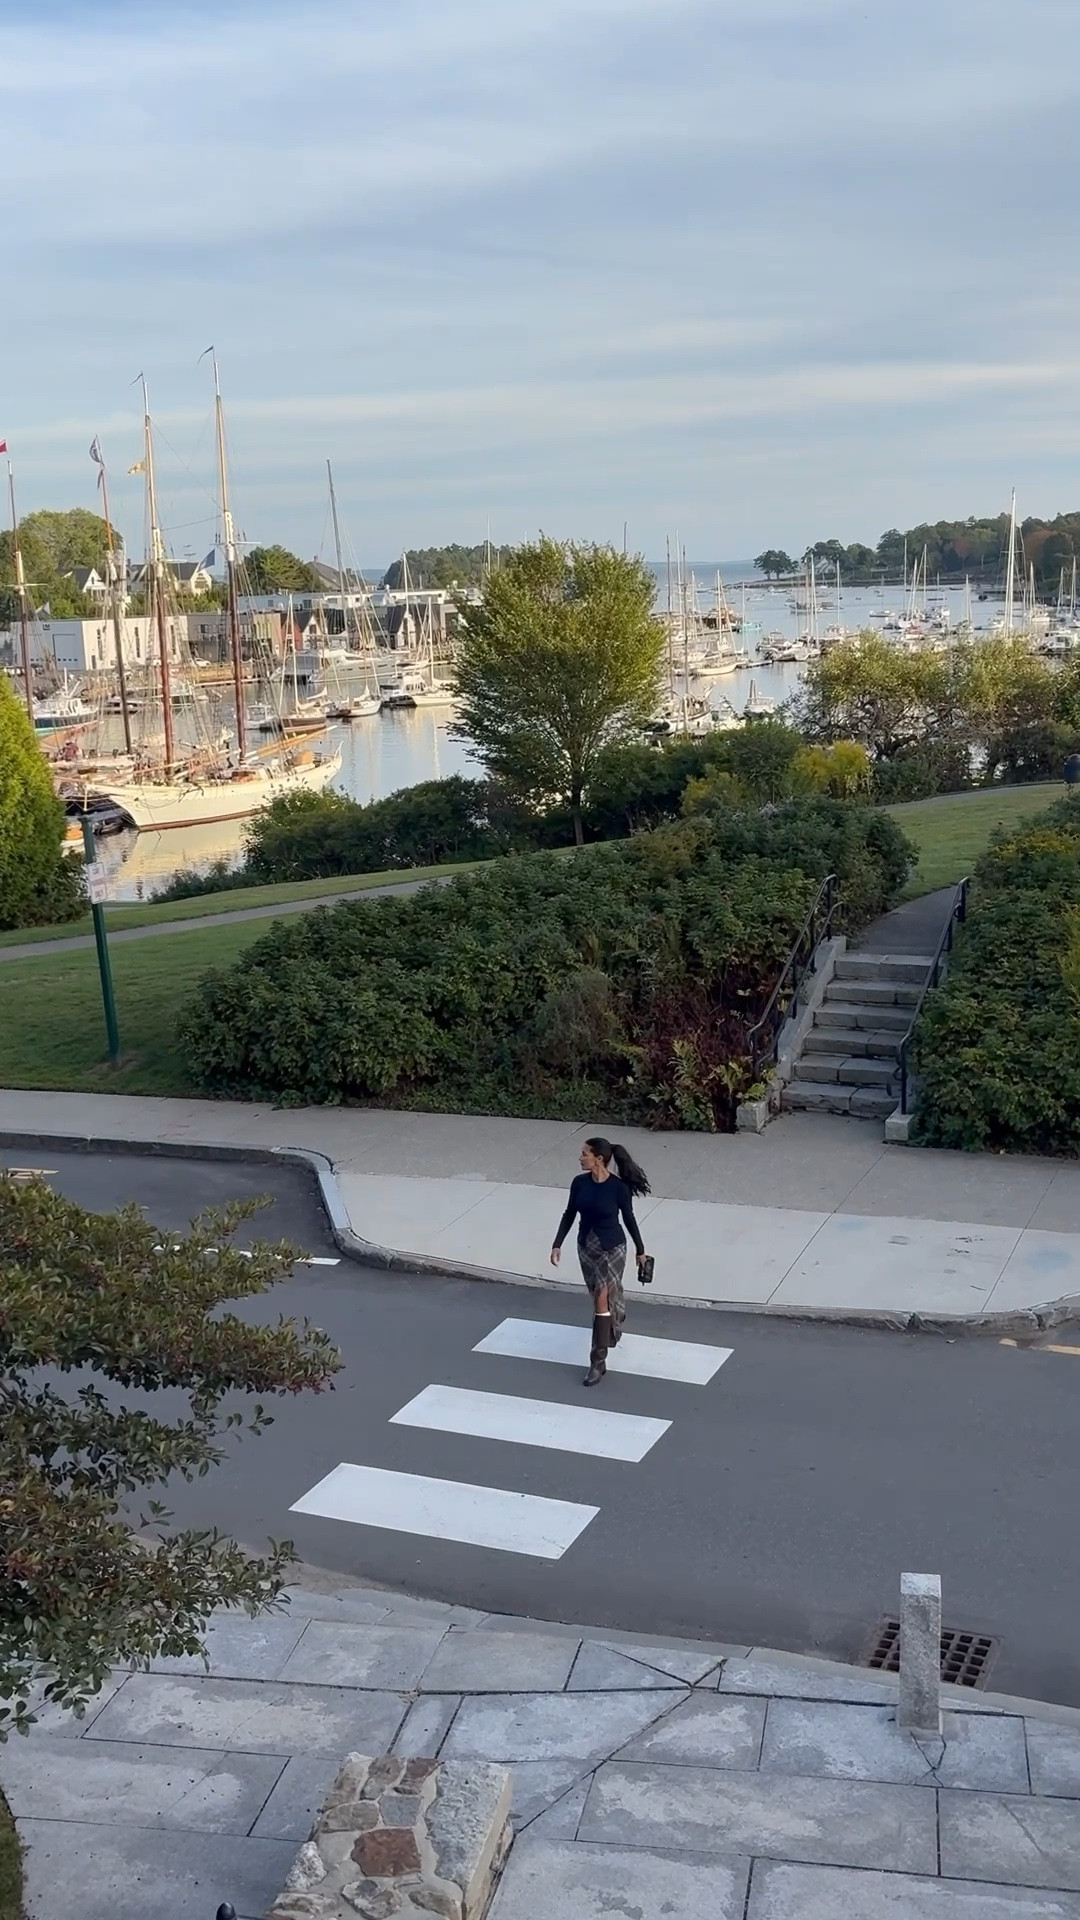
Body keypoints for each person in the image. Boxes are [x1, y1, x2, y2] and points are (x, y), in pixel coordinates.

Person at [550, 1137, 650, 1388]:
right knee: (600, 1295)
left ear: (599, 1158)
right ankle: (615, 1317)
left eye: (584, 1153)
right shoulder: (579, 1183)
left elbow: (629, 1219)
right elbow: (569, 1214)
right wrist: (557, 1244)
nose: (580, 1157)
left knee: (601, 1296)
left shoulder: (618, 1188)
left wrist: (641, 1249)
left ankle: (597, 1361)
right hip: (586, 1246)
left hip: (612, 1247)